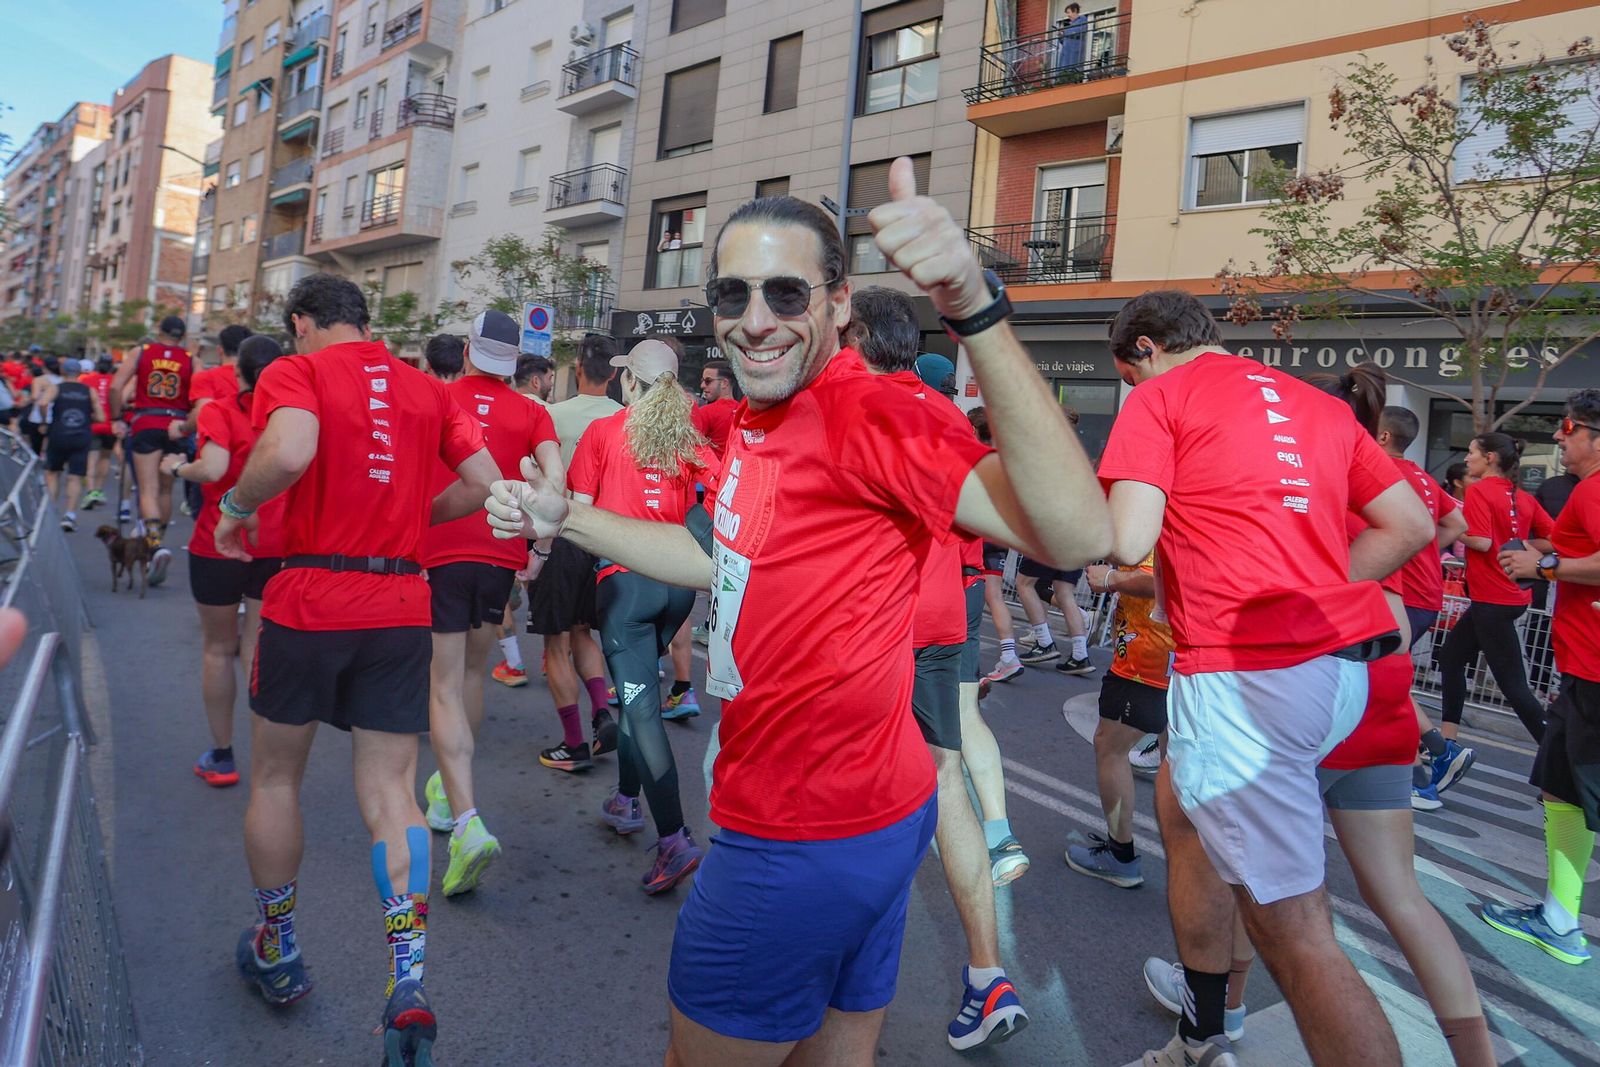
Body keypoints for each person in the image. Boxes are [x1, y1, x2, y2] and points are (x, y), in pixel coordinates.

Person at [486, 161, 1110, 1066]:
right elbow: (710, 556)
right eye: (732, 292)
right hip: (869, 811)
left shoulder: (874, 412)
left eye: (786, 291)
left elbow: (1080, 529)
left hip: (797, 832)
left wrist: (974, 303)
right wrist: (568, 516)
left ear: (839, 303)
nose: (756, 317)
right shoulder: (754, 421)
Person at [1096, 290, 1432, 1067]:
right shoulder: (1314, 403)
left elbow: (1127, 538)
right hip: (1335, 672)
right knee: (1182, 807)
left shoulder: (1163, 397)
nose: (1130, 392)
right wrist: (1318, 587)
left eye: (1126, 376)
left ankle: (1212, 1034)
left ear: (1144, 349)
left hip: (1248, 677)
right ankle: (1202, 1030)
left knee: (1296, 930)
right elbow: (1409, 526)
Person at [1146, 366, 1494, 1067]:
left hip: (1301, 687)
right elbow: (1409, 584)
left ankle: (1214, 1024)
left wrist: (1299, 609)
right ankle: (1479, 1056)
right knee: (1396, 896)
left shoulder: (1293, 493)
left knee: (1266, 888)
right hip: (1377, 690)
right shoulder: (1378, 482)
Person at [211, 273, 497, 1060]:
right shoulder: (427, 388)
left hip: (309, 594)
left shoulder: (293, 370)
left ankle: (279, 944)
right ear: (365, 321)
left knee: (274, 779)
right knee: (391, 791)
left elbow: (291, 447)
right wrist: (413, 514)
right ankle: (407, 976)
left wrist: (236, 510)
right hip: (401, 599)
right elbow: (483, 485)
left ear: (301, 322)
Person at [848, 284, 1031, 1043]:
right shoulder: (941, 411)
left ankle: (840, 977)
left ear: (852, 337)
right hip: (941, 614)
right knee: (944, 774)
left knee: (862, 788)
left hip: (875, 626)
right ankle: (987, 974)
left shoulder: (855, 408)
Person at [418, 315, 562, 898]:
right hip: (498, 556)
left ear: (467, 350)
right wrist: (540, 545)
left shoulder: (438, 394)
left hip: (439, 551)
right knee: (474, 673)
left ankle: (465, 817)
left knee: (442, 684)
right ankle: (447, 788)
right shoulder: (532, 410)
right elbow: (557, 477)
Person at [571, 339, 713, 892]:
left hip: (624, 589)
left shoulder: (605, 432)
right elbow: (725, 493)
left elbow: (579, 513)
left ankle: (674, 837)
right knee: (639, 699)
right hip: (676, 587)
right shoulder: (687, 438)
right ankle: (627, 798)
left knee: (640, 708)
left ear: (628, 381)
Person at [1493, 389, 1600, 967]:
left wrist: (1548, 564)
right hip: (1582, 670)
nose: (1560, 437)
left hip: (1597, 675)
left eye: (1570, 427)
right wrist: (1543, 550)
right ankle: (1559, 919)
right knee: (1561, 791)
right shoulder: (1585, 494)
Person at [162, 335, 287, 789]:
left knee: (218, 648)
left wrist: (177, 469)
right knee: (256, 645)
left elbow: (212, 469)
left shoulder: (218, 409)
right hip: (274, 544)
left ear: (236, 373)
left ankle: (223, 754)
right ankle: (265, 757)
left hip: (216, 541)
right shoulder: (291, 416)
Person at [1374, 406, 1476, 809]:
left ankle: (1433, 758)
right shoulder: (1422, 476)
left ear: (1383, 437)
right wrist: (1420, 547)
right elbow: (1456, 525)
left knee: (1384, 681)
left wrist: (1405, 550)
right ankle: (1425, 766)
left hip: (1404, 595)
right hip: (1421, 593)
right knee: (1380, 682)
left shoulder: (1382, 471)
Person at [530, 335, 624, 771]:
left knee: (556, 642)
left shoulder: (552, 415)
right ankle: (602, 714)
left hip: (563, 536)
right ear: (617, 374)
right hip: (608, 540)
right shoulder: (627, 419)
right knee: (584, 631)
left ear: (579, 371)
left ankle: (574, 744)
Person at [1438, 432, 1554, 743]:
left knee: (1514, 686)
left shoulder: (1479, 492)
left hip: (1492, 600)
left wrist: (1450, 526)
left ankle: (1556, 760)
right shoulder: (1522, 496)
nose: (1465, 458)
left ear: (1489, 458)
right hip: (1508, 597)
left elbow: (1483, 541)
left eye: (1471, 452)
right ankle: (1446, 741)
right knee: (1450, 659)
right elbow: (1554, 539)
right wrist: (1524, 546)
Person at [1067, 551, 1172, 888]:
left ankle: (1120, 856)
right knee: (1179, 769)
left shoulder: (1158, 510)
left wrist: (1109, 579)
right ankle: (1196, 870)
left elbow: (1159, 580)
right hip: (1176, 653)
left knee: (1110, 747)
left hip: (1147, 656)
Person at [110, 315, 194, 585]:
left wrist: (116, 418)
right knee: (166, 489)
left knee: (147, 490)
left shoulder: (142, 352)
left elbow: (115, 386)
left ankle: (154, 545)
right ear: (182, 335)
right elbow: (197, 396)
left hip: (146, 420)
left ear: (160, 330)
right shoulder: (192, 358)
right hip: (175, 424)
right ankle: (159, 544)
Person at [40, 358, 105, 532]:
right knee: (75, 477)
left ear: (62, 371)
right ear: (79, 373)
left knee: (53, 473)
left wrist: (46, 420)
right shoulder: (88, 390)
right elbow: (100, 416)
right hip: (81, 436)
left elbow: (43, 402)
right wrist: (87, 417)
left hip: (58, 434)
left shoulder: (56, 388)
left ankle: (51, 512)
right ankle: (69, 515)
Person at [78, 355, 118, 509]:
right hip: (110, 425)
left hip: (92, 424)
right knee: (105, 458)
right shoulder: (115, 381)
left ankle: (90, 490)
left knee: (91, 459)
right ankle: (99, 490)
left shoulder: (87, 381)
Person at [691, 358, 739, 456]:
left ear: (724, 383)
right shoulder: (744, 411)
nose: (702, 385)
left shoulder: (706, 412)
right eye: (702, 381)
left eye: (708, 381)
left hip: (714, 469)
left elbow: (692, 448)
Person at [1054, 3, 1087, 75]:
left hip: (1074, 56)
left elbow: (1078, 32)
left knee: (1072, 74)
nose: (1068, 15)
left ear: (1075, 10)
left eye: (1069, 12)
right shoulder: (1071, 25)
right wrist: (1060, 36)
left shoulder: (1082, 19)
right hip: (1066, 56)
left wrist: (1064, 31)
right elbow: (1065, 41)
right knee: (1062, 76)